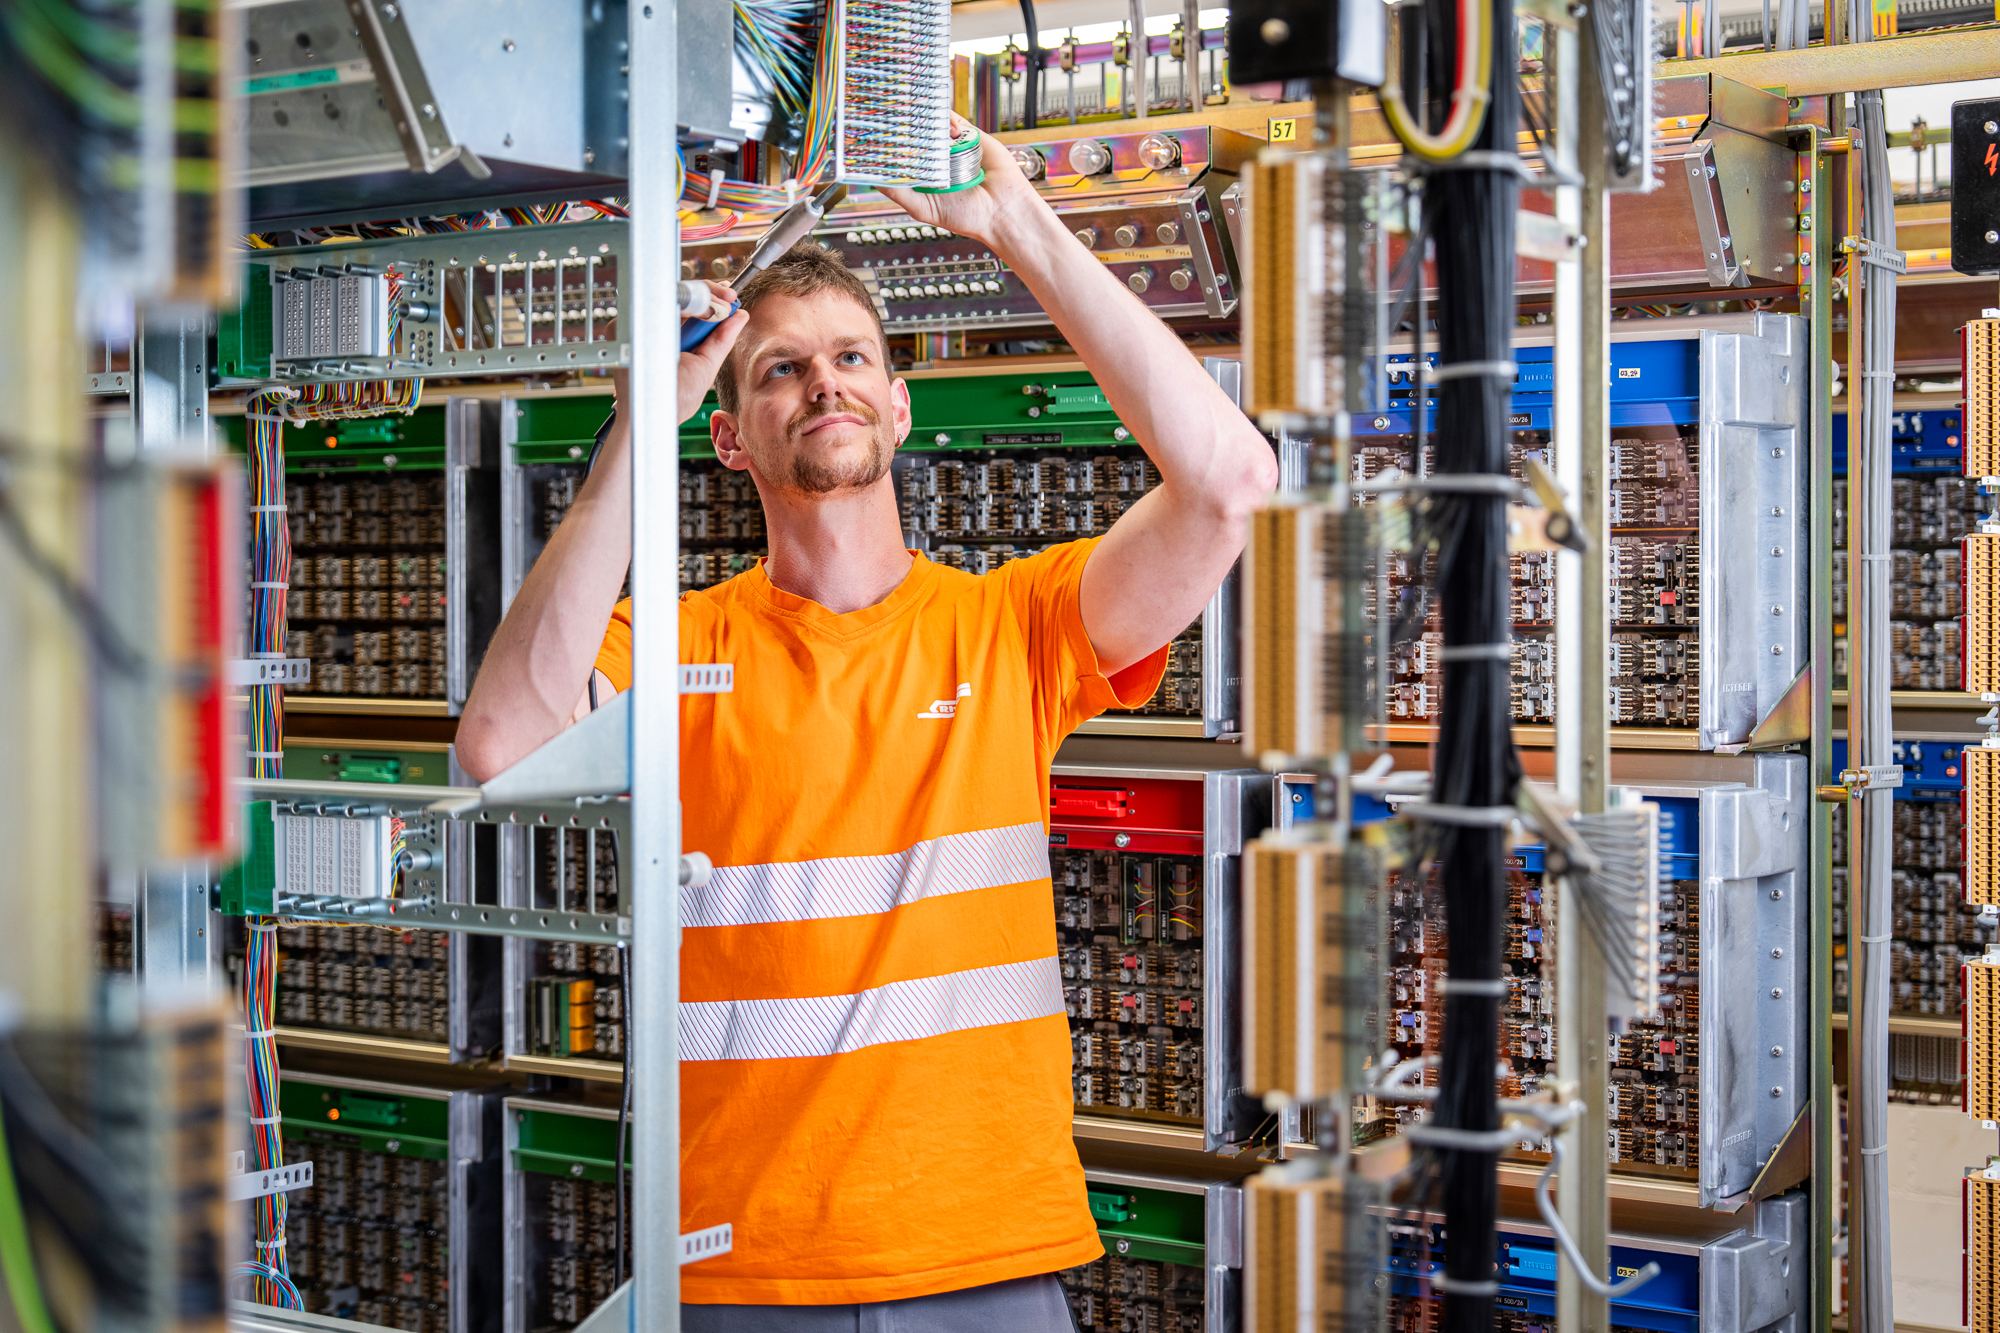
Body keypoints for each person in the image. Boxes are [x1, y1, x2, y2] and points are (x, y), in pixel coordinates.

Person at [454, 117, 1277, 1331]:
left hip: (983, 1256)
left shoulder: (1012, 626)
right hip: (739, 1268)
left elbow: (1227, 484)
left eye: (849, 358)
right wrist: (641, 422)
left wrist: (1015, 229)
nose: (822, 380)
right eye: (779, 368)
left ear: (897, 406)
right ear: (728, 436)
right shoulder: (676, 650)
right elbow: (500, 744)